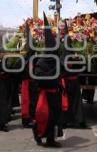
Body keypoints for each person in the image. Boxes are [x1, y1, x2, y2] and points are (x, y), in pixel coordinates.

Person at [32, 12, 62, 147]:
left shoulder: (42, 61)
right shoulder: (52, 61)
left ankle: (48, 138)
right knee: (47, 116)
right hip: (48, 93)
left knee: (48, 116)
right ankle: (41, 135)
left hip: (50, 92)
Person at [60, 20, 87, 128]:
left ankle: (79, 121)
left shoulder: (75, 56)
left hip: (73, 81)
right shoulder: (63, 56)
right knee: (67, 102)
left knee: (76, 103)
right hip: (66, 82)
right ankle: (66, 121)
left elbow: (82, 66)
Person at [20, 24, 38, 128]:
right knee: (31, 102)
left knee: (27, 102)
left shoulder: (25, 60)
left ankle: (27, 120)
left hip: (27, 83)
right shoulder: (34, 60)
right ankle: (29, 119)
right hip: (31, 83)